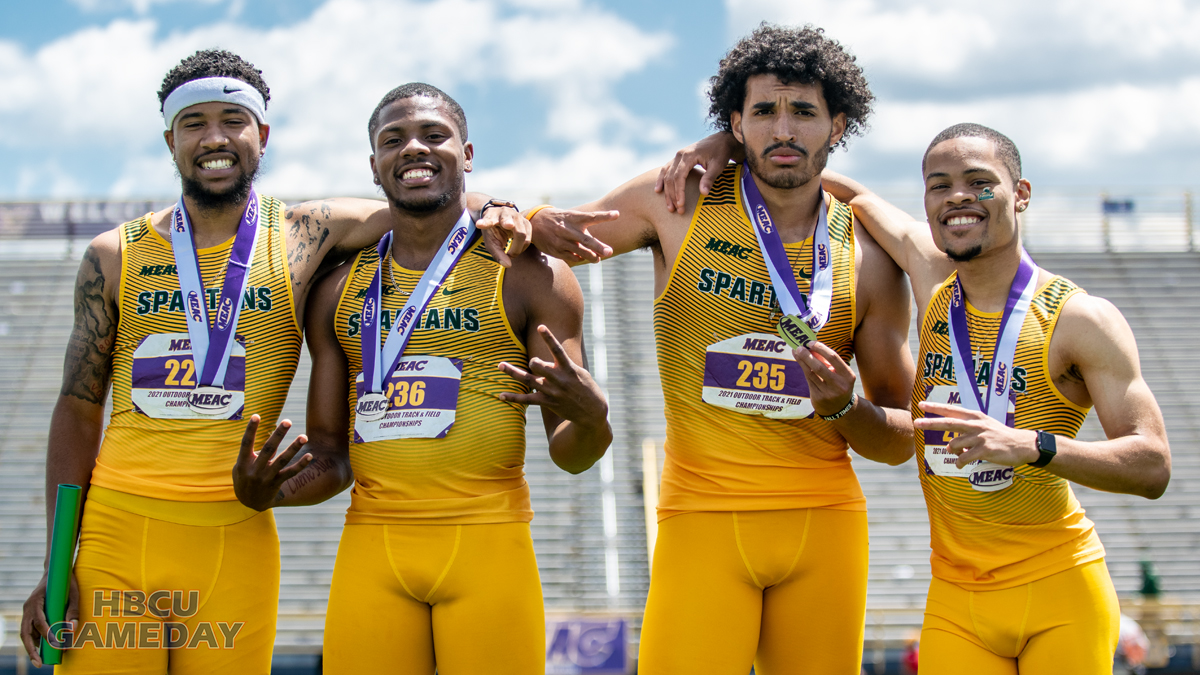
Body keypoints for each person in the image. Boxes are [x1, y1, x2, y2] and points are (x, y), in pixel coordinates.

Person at [19, 50, 527, 673]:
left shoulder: (308, 234)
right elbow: (76, 409)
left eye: (233, 119)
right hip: (116, 541)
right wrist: (55, 561)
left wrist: (506, 207)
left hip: (238, 540)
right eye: (193, 122)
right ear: (169, 140)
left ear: (261, 135)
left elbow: (428, 195)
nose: (214, 138)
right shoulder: (112, 255)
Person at [660, 121, 1174, 673]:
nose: (958, 196)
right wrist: (729, 144)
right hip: (954, 600)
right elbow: (831, 186)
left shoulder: (1080, 320)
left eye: (980, 182)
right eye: (939, 184)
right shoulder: (929, 278)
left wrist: (1029, 445)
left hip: (1060, 588)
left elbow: (1152, 466)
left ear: (1020, 193)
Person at [530, 24, 915, 674]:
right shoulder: (676, 200)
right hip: (700, 516)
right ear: (735, 122)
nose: (783, 129)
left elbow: (903, 438)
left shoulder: (870, 257)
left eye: (804, 112)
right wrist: (524, 216)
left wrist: (846, 408)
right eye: (763, 111)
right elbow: (559, 237)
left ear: (838, 125)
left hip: (824, 523)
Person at [228, 82, 612, 674]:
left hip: (489, 545)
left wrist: (594, 419)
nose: (413, 148)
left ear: (467, 153)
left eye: (434, 135)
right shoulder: (335, 288)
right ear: (374, 164)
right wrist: (270, 493)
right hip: (372, 551)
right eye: (393, 140)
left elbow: (573, 455)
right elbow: (331, 456)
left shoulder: (532, 275)